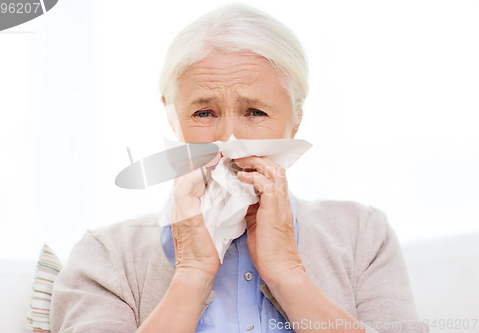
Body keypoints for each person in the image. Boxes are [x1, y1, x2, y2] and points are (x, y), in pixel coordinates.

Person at [50, 4, 429, 333]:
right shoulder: (105, 256)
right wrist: (192, 275)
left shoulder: (363, 236)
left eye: (255, 112)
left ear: (295, 120)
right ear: (171, 115)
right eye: (203, 112)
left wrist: (288, 274)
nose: (229, 140)